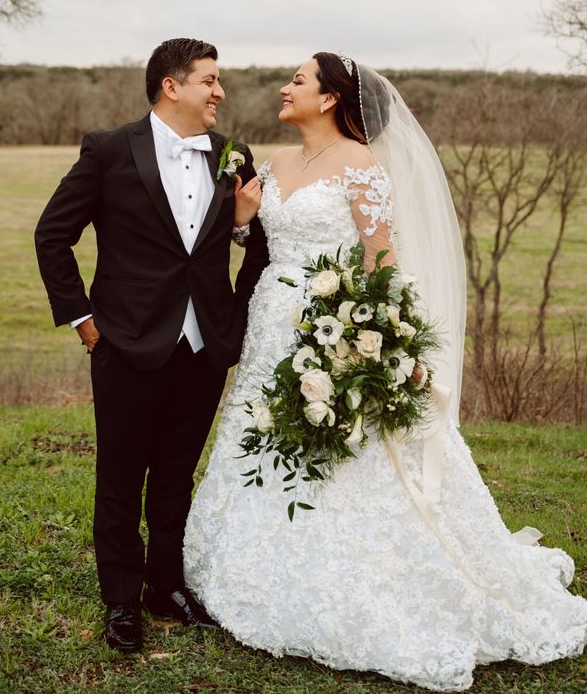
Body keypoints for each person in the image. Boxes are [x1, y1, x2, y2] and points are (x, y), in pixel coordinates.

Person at [184, 52, 587, 692]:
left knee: (344, 444)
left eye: (297, 81)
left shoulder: (361, 165)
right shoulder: (274, 162)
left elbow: (380, 259)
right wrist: (238, 223)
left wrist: (373, 340)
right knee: (264, 428)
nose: (284, 88)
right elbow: (258, 241)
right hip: (269, 323)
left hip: (331, 323)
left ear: (329, 98)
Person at [35, 38, 268, 653]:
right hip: (125, 342)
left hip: (203, 345)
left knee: (175, 475)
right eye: (209, 80)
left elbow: (256, 244)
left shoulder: (233, 155)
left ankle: (166, 587)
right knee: (119, 477)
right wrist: (84, 321)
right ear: (172, 85)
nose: (220, 92)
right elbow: (52, 235)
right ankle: (121, 599)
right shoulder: (109, 149)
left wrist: (240, 253)